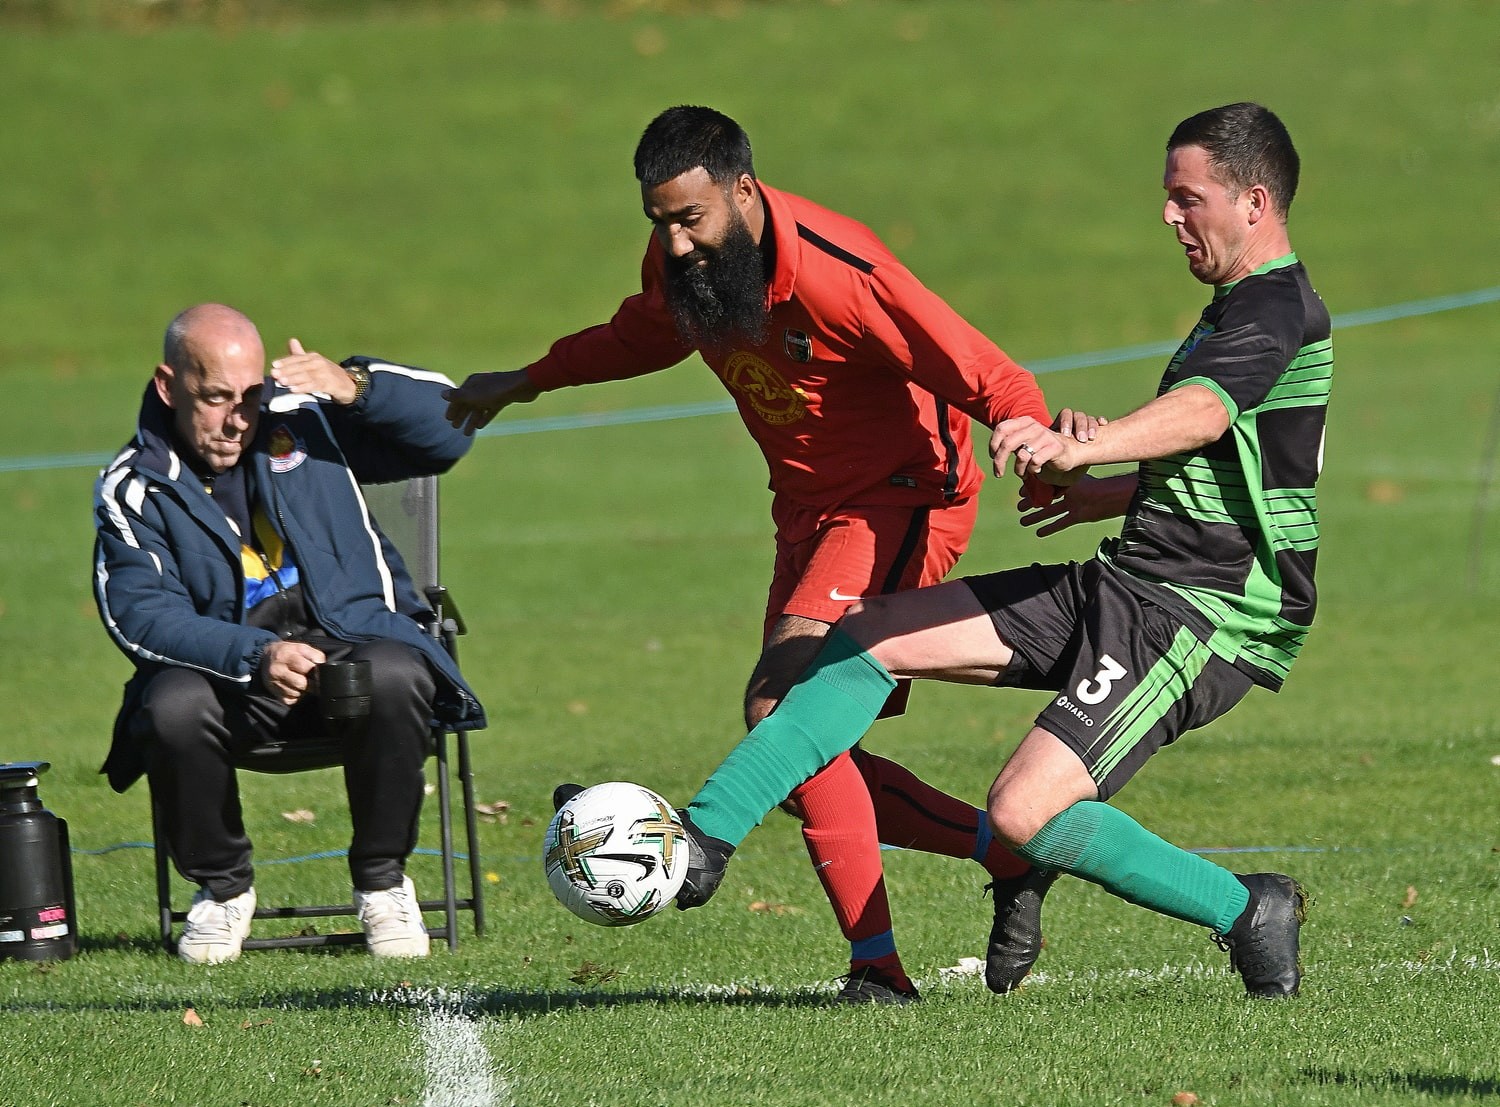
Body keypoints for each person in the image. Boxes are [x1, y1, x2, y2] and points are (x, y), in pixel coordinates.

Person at [674, 102, 1331, 999]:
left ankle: (1247, 908)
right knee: (868, 632)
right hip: (1131, 578)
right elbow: (1244, 468)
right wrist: (1102, 491)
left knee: (1024, 809)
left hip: (1202, 614)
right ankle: (704, 835)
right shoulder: (1234, 311)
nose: (1170, 216)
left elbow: (1206, 413)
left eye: (1188, 198)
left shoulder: (1276, 307)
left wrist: (1084, 449)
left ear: (1254, 202)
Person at [445, 105, 1091, 1003]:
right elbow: (641, 332)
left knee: (780, 708)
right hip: (807, 512)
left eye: (690, 219)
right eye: (659, 223)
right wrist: (526, 380)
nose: (674, 244)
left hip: (903, 496)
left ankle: (876, 968)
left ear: (743, 191)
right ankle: (1008, 857)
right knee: (793, 756)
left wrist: (1033, 432)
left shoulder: (843, 273)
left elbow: (982, 366)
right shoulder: (689, 266)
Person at [94, 303, 486, 964]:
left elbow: (451, 429)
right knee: (169, 706)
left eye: (249, 397)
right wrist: (256, 654)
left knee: (395, 671)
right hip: (234, 679)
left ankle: (383, 882)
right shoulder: (132, 487)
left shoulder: (303, 421)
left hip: (350, 646)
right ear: (168, 386)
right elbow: (142, 617)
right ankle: (223, 890)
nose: (237, 419)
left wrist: (356, 387)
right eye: (214, 398)